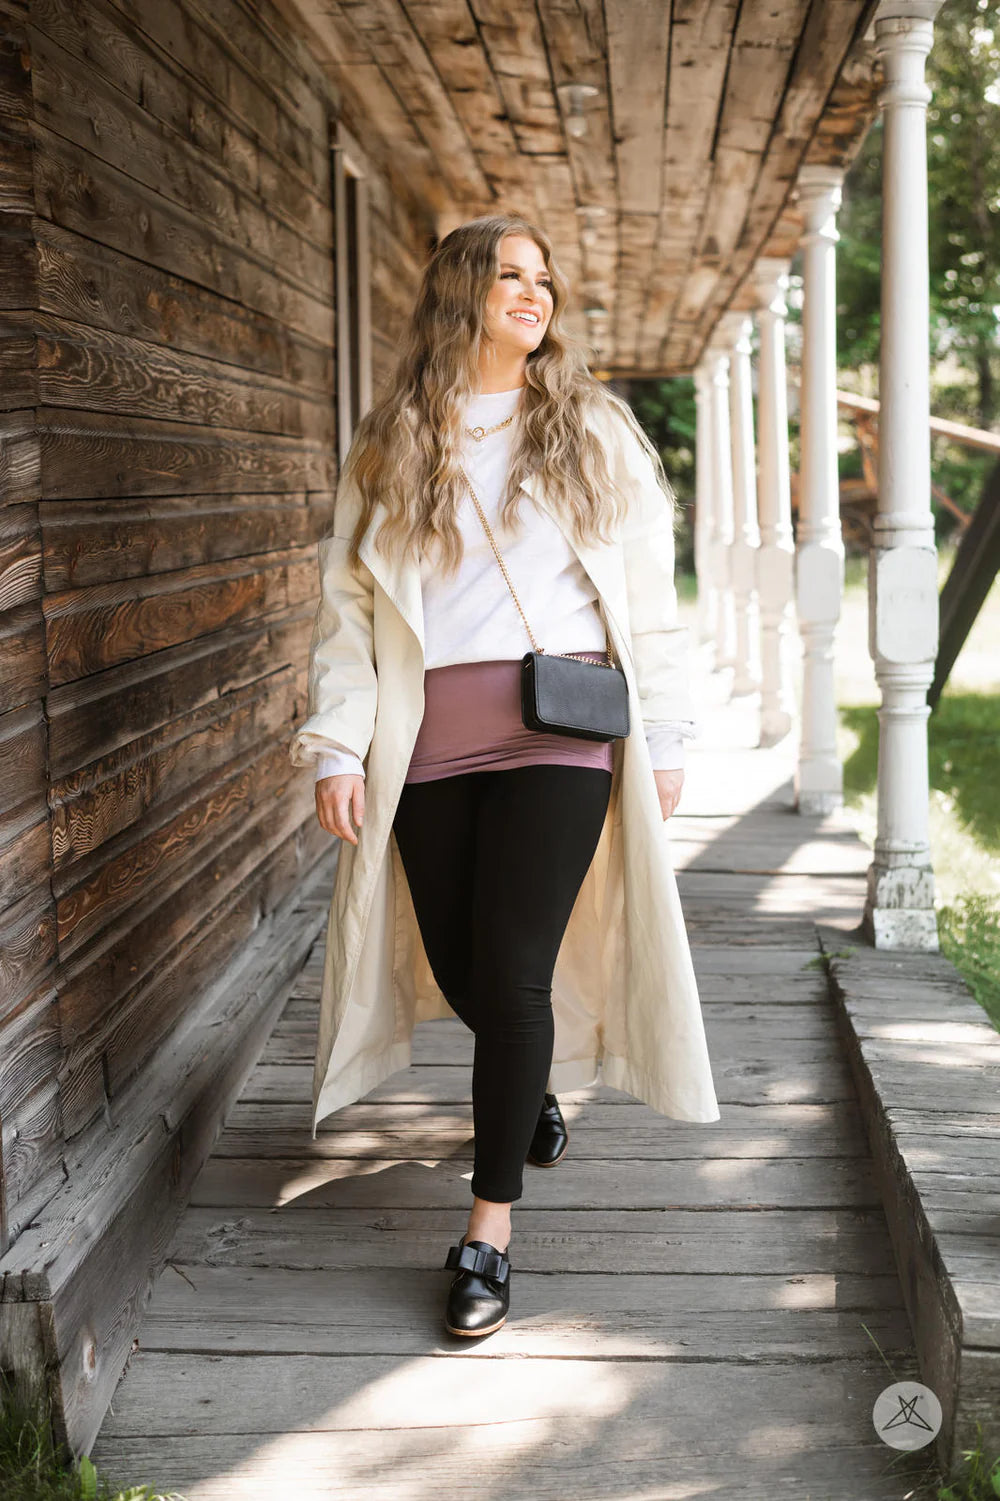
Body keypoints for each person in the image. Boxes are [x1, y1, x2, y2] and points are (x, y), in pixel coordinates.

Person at [289, 213, 720, 1340]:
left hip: (559, 729)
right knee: (462, 964)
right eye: (507, 274)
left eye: (542, 277)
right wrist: (338, 739)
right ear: (459, 294)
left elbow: (648, 595)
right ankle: (526, 1095)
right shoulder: (392, 440)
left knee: (516, 973)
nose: (532, 293)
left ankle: (487, 1231)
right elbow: (349, 607)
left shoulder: (592, 429)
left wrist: (664, 733)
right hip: (425, 738)